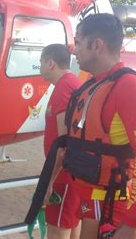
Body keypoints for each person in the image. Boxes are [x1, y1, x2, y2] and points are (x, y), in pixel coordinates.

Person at [63, 13, 136, 239]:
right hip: (90, 200)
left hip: (110, 205)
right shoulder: (93, 84)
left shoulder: (131, 88)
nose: (73, 49)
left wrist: (132, 223)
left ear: (96, 45)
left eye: (78, 42)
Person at [39, 44, 82, 238]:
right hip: (73, 173)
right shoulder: (73, 83)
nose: (39, 66)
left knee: (58, 227)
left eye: (40, 62)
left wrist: (49, 181)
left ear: (50, 63)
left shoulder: (64, 87)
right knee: (72, 222)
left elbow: (64, 144)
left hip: (64, 175)